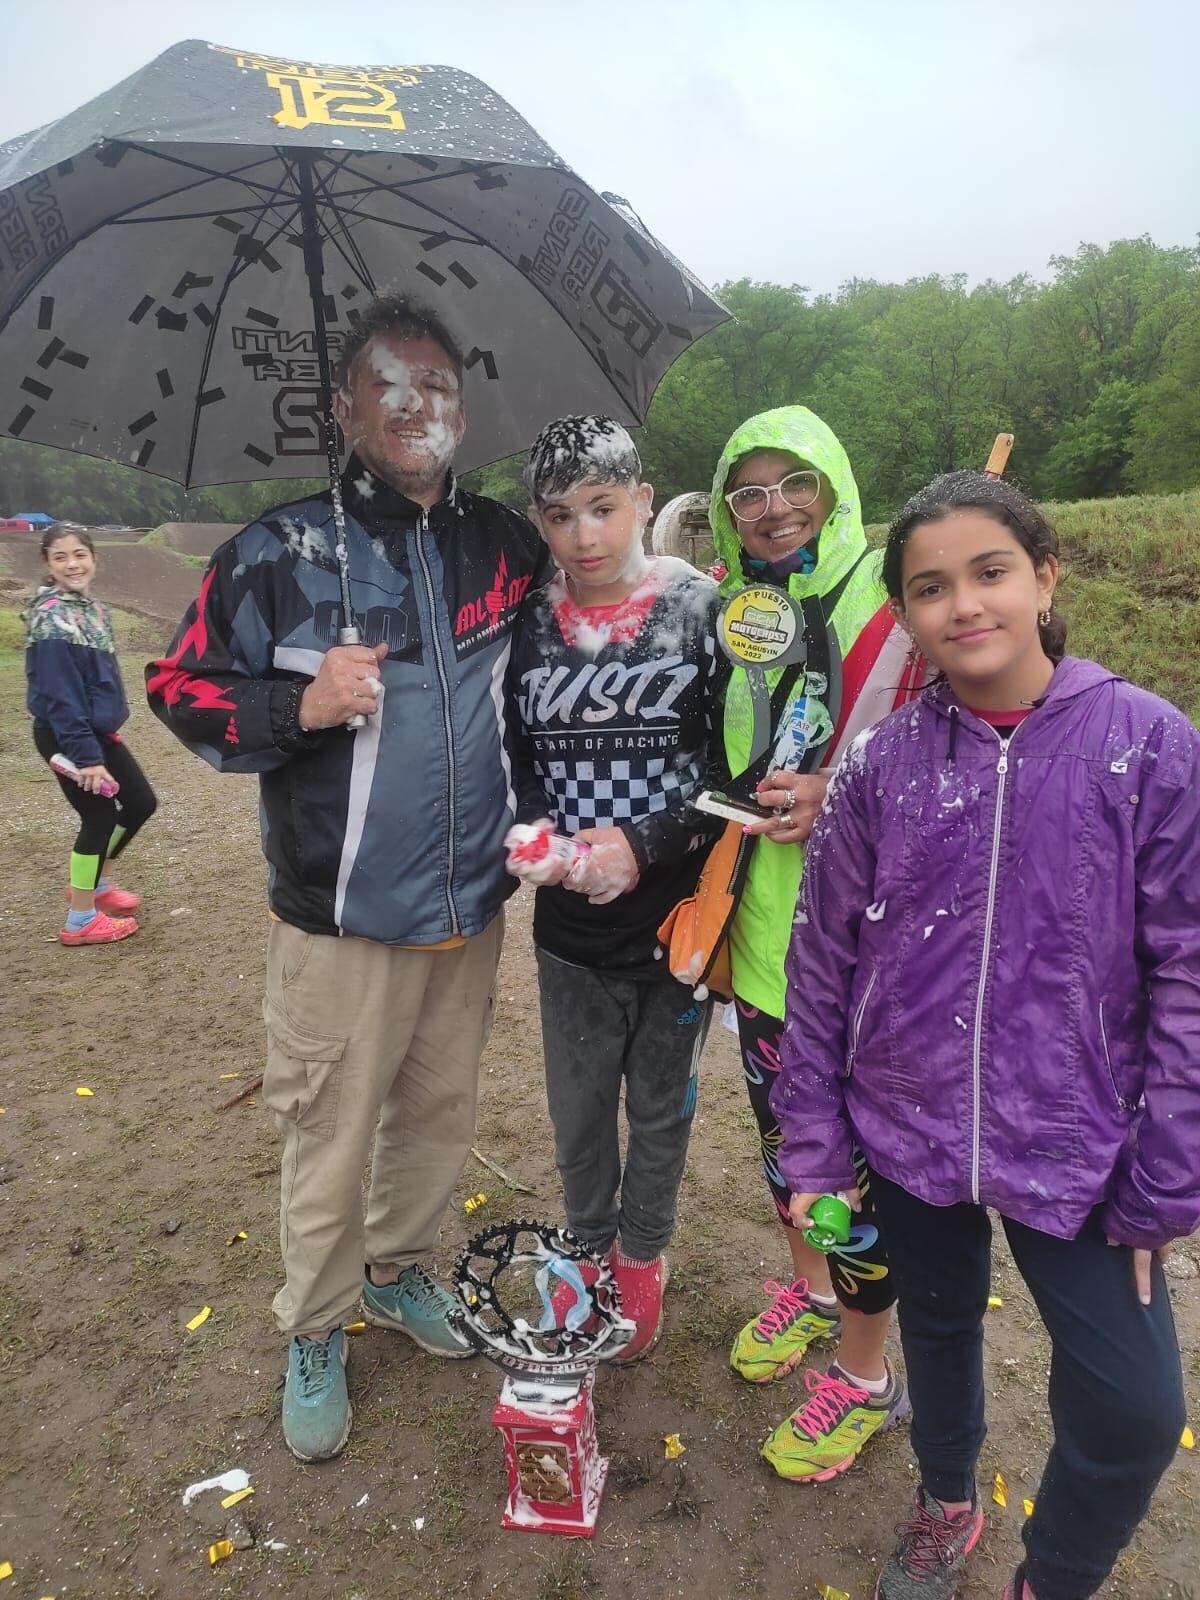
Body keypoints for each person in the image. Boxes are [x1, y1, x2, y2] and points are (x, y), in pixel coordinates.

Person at [774, 470, 1197, 1599]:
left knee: (1137, 1406)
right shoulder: (881, 765)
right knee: (942, 1326)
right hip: (908, 1126)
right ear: (905, 613)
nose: (964, 604)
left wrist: (1165, 1173)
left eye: (990, 571)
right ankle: (946, 1496)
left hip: (1082, 1145)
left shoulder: (1150, 746)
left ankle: (1051, 1576)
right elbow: (819, 965)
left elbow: (1191, 972)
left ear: (1044, 577)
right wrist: (813, 1142)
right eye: (929, 586)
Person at [147, 294, 552, 1462]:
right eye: (391, 382)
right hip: (337, 917)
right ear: (346, 406)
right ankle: (314, 1324)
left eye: (436, 384)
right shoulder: (274, 554)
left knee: (435, 1115)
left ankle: (399, 1272)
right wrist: (300, 702)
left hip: (472, 904)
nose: (416, 402)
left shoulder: (502, 545)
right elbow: (178, 689)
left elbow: (560, 664)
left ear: (462, 408)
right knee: (330, 1128)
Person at [709, 407, 921, 1480]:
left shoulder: (900, 593)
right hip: (758, 942)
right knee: (788, 1157)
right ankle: (810, 1291)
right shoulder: (738, 608)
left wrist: (839, 791)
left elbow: (975, 745)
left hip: (865, 958)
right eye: (748, 491)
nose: (775, 505)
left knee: (848, 1182)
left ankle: (869, 1373)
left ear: (836, 481)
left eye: (796, 480)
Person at [505, 416, 725, 1359]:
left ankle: (642, 1257)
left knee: (661, 1108)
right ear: (539, 523)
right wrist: (535, 836)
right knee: (580, 1107)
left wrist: (642, 843)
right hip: (569, 933)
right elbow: (513, 752)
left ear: (643, 499)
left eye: (603, 508)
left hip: (677, 923)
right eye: (560, 516)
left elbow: (739, 769)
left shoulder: (704, 613)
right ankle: (586, 1246)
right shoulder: (526, 621)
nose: (585, 536)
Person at [26, 526, 156, 945]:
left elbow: (97, 683)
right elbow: (60, 697)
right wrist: (86, 757)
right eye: (61, 557)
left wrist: (104, 732)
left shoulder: (92, 610)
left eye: (80, 554)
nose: (72, 564)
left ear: (94, 559)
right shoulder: (51, 617)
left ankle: (98, 885)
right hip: (67, 736)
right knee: (98, 817)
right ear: (48, 563)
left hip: (94, 733)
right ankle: (80, 919)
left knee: (139, 802)